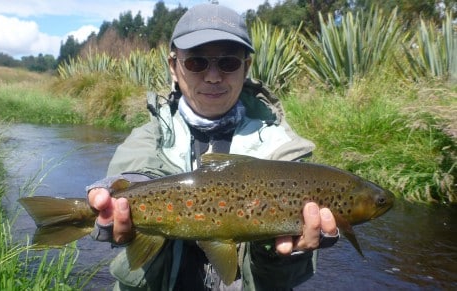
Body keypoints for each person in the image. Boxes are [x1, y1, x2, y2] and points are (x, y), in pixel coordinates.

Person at [87, 3, 339, 290]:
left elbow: (276, 280)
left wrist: (280, 255)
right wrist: (124, 193)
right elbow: (138, 168)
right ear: (174, 67)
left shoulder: (283, 150)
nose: (213, 76)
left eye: (228, 62)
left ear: (246, 67)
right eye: (196, 62)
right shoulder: (149, 135)